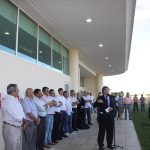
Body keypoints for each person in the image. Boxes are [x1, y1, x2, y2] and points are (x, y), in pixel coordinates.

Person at [1, 84, 26, 150]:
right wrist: (24, 121)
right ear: (13, 91)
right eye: (18, 89)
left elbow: (21, 112)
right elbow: (16, 115)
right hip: (11, 128)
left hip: (16, 127)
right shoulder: (8, 101)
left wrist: (24, 120)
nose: (19, 91)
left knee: (17, 147)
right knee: (11, 148)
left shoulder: (14, 100)